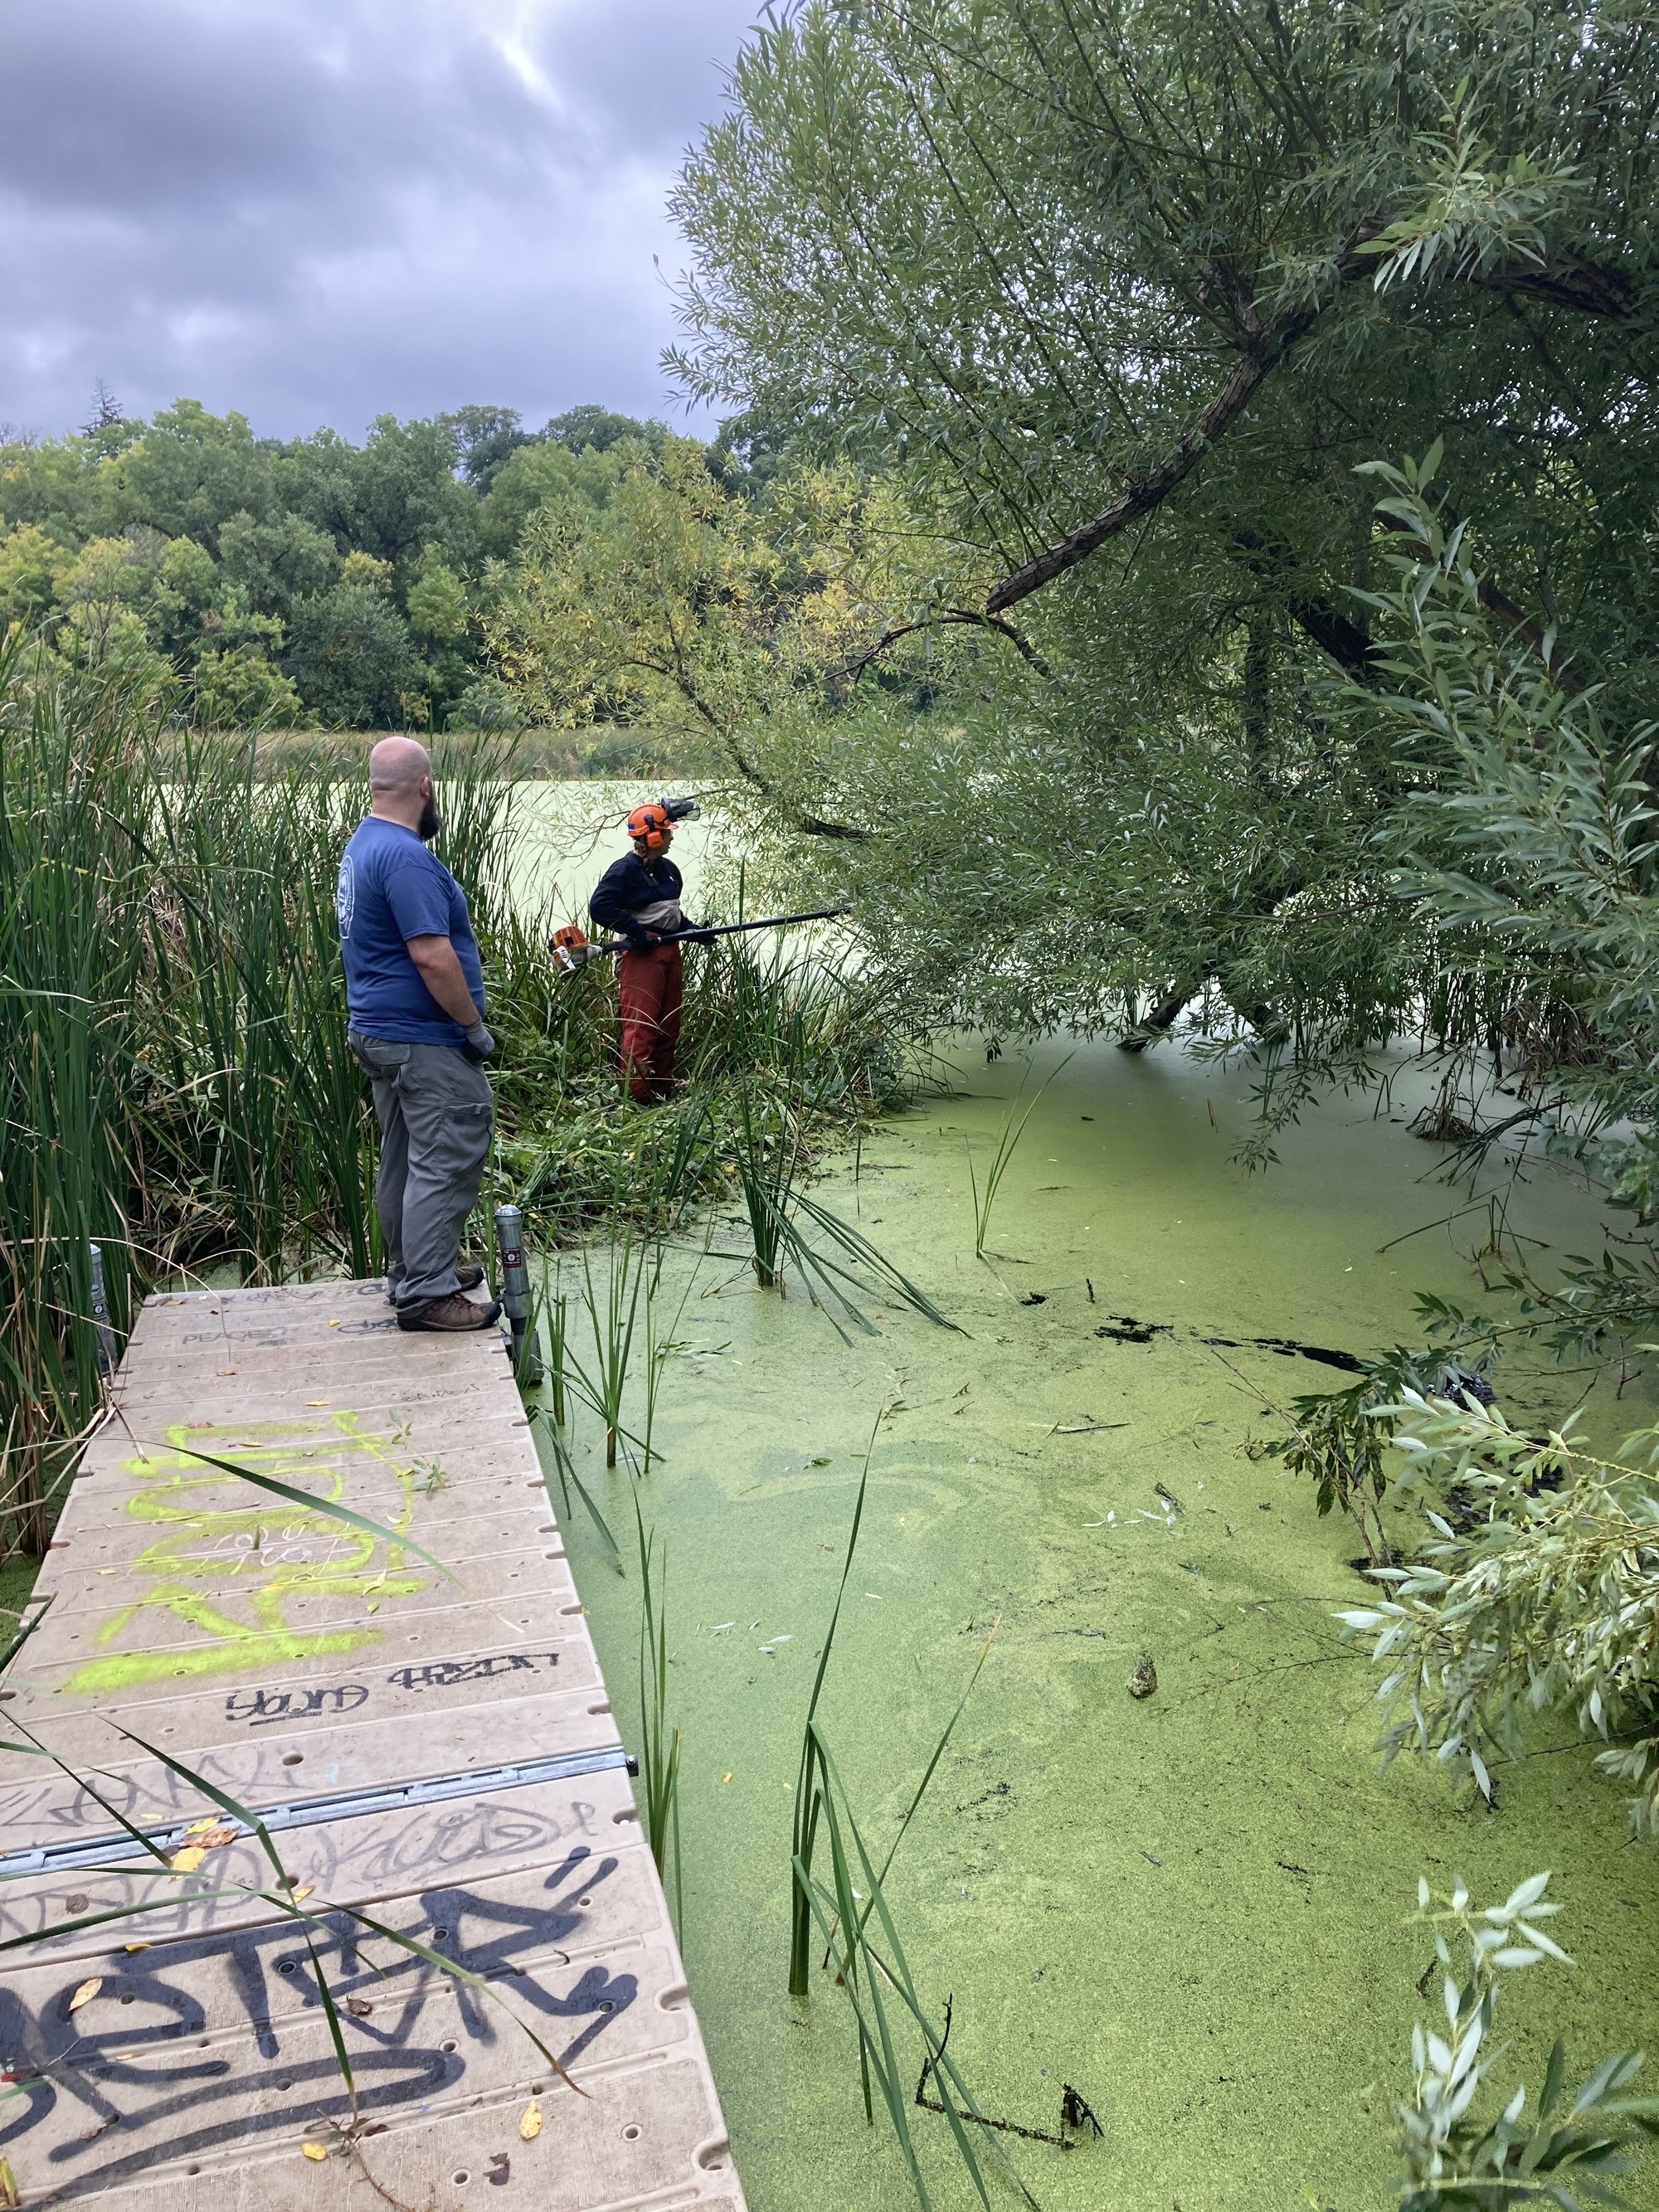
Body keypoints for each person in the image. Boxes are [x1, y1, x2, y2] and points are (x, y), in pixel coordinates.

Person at [337, 737, 503, 1332]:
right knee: (450, 1147)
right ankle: (427, 1292)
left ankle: (413, 1268)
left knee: (404, 1156)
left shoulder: (362, 845)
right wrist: (472, 1025)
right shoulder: (406, 857)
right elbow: (432, 956)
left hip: (378, 1029)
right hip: (422, 1036)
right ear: (426, 785)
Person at [590, 801, 708, 1103]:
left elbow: (669, 916)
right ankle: (636, 1100)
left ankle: (661, 1094)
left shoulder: (669, 871)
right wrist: (636, 932)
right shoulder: (624, 870)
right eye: (667, 833)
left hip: (669, 950)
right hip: (642, 957)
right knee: (641, 1029)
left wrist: (695, 931)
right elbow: (600, 907)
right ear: (651, 837)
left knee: (668, 1026)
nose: (671, 838)